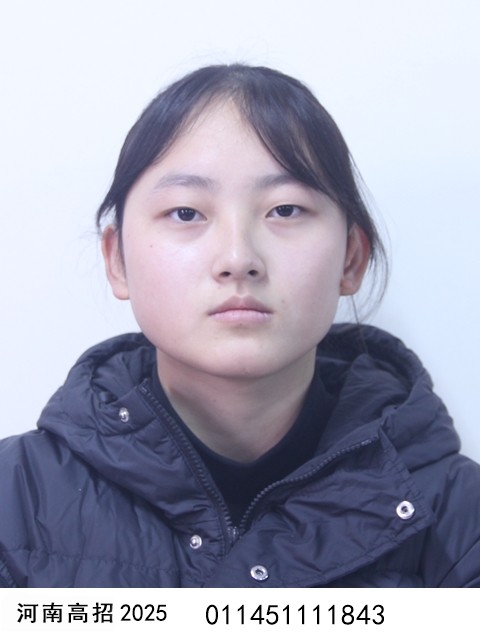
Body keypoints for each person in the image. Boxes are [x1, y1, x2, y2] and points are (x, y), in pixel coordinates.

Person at [0, 64, 479, 588]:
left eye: (285, 210)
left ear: (351, 258)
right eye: (186, 213)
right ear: (117, 260)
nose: (237, 258)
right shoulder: (14, 501)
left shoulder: (461, 520)